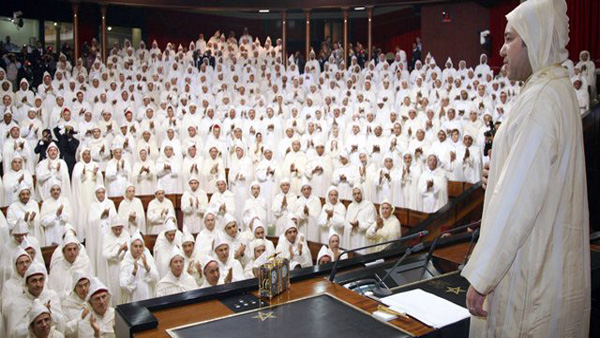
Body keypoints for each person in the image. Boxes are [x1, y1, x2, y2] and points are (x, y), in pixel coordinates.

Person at [462, 1, 590, 337]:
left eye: (508, 39)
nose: (501, 50)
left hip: (530, 275)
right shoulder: (553, 89)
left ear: (531, 40)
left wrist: (484, 274)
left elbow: (520, 198)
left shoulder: (541, 100)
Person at [7, 263, 64, 337]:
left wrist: (49, 314)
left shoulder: (52, 296)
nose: (38, 284)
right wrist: (34, 317)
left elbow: (61, 325)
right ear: (27, 283)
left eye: (41, 280)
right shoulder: (17, 303)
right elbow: (13, 333)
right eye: (34, 281)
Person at [47, 232, 93, 300]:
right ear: (63, 252)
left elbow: (91, 285)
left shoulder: (85, 263)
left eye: (75, 249)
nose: (73, 252)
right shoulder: (57, 267)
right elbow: (53, 291)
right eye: (69, 249)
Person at [119, 231, 159, 303]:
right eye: (135, 246)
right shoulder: (126, 262)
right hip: (132, 299)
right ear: (131, 247)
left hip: (147, 296)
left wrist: (147, 267)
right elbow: (123, 285)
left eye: (140, 246)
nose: (138, 249)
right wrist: (133, 272)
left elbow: (156, 278)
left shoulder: (148, 258)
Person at [101, 218, 130, 307]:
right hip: (112, 268)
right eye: (115, 229)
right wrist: (118, 250)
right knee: (114, 290)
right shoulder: (107, 237)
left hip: (124, 266)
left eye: (120, 229)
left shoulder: (126, 235)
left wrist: (126, 250)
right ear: (112, 228)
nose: (118, 232)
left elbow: (130, 252)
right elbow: (105, 255)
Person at [40, 180, 73, 246]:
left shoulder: (65, 201)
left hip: (63, 230)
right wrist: (55, 215)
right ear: (50, 191)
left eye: (58, 189)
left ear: (60, 191)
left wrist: (60, 215)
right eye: (53, 190)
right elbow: (43, 221)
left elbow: (69, 218)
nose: (56, 191)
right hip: (50, 232)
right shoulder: (45, 203)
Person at [343, 185, 376, 250]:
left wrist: (359, 224)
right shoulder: (350, 206)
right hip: (352, 238)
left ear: (362, 193)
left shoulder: (369, 206)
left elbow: (372, 224)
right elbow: (346, 223)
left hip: (363, 239)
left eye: (358, 193)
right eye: (354, 194)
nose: (357, 196)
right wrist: (351, 226)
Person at [61, 271, 90, 337]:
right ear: (74, 288)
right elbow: (65, 330)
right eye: (80, 286)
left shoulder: (94, 299)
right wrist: (80, 318)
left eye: (86, 285)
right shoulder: (67, 304)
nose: (84, 289)